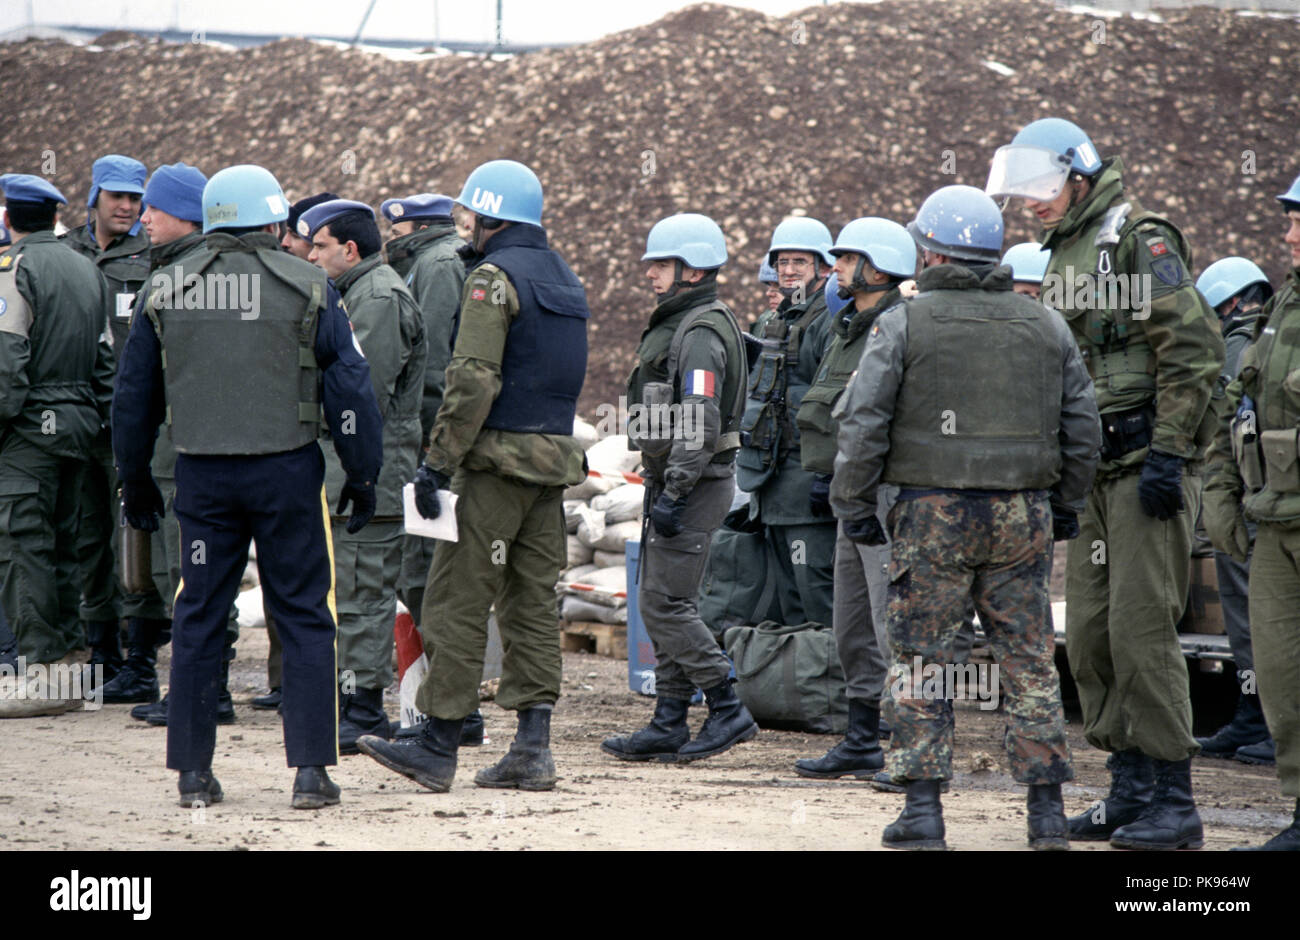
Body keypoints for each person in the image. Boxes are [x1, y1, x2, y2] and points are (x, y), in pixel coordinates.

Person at [831, 185, 1100, 850]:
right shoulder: (1043, 322)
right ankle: (1045, 815)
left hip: (930, 515)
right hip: (1022, 513)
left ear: (928, 252)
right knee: (1030, 659)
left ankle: (923, 811)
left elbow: (864, 423)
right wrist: (1063, 506)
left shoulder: (904, 322)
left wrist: (855, 505)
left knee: (924, 659)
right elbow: (1083, 427)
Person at [111, 164, 383, 808]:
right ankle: (312, 771)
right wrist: (363, 473)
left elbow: (132, 400)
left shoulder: (164, 289)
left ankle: (192, 773)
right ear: (272, 221)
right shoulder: (313, 284)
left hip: (202, 478)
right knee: (306, 613)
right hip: (287, 474)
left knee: (199, 615)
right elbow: (350, 390)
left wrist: (135, 480)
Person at [987, 117, 1225, 850]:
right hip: (1091, 472)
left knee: (1141, 630)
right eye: (1024, 191)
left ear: (1080, 177)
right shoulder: (1060, 252)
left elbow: (1194, 350)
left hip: (1146, 469)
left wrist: (1170, 452)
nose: (1032, 202)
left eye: (1044, 188)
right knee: (1087, 637)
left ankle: (1174, 801)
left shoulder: (1138, 239)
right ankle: (1127, 786)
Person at [357, 160, 588, 793]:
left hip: (493, 467)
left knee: (458, 596)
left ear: (491, 218)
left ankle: (437, 742)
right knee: (533, 602)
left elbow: (473, 379)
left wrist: (437, 462)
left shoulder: (492, 278)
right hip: (550, 465)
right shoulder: (564, 277)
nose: (464, 226)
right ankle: (531, 747)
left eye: (469, 215)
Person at [601, 213, 756, 763]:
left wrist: (676, 490)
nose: (649, 274)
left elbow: (700, 418)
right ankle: (668, 720)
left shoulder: (701, 332)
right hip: (677, 480)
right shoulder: (688, 322)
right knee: (666, 598)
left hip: (694, 483)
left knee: (664, 604)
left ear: (692, 269)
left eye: (660, 264)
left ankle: (726, 706)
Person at [300, 198, 427, 754]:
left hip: (371, 470)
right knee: (353, 589)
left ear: (350, 250)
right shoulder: (358, 292)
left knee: (363, 595)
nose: (311, 254)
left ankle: (364, 710)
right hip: (356, 467)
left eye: (321, 246)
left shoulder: (375, 298)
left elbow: (359, 396)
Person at [792, 217, 914, 780]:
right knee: (852, 622)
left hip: (887, 494)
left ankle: (911, 743)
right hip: (852, 492)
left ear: (879, 269)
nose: (835, 267)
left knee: (894, 622)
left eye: (846, 258)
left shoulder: (897, 325)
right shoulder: (848, 324)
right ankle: (862, 738)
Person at [1204, 173, 1300, 850]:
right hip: (1275, 518)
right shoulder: (1283, 308)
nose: (1289, 235)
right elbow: (1238, 407)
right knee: (1281, 673)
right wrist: (1223, 498)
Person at [0, 174, 113, 718]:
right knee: (67, 544)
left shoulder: (14, 270)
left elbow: (7, 364)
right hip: (78, 424)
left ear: (9, 221)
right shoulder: (87, 269)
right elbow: (106, 361)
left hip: (27, 430)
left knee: (23, 546)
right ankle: (70, 668)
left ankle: (39, 667)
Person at [64, 154, 152, 687]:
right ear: (93, 196)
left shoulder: (151, 257)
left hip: (133, 421)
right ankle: (102, 652)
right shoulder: (64, 251)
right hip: (80, 419)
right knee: (87, 535)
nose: (126, 206)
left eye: (134, 198)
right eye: (116, 195)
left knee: (137, 539)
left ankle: (140, 656)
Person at [1194, 256, 1275, 765]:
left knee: (1256, 613)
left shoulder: (1242, 343)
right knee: (1247, 614)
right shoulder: (1267, 335)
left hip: (1251, 496)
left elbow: (1222, 416)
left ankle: (1269, 720)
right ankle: (1254, 713)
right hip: (1254, 494)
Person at [736, 217, 836, 627]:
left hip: (806, 491)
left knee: (817, 597)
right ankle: (804, 686)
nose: (788, 270)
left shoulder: (828, 321)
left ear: (824, 267)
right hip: (773, 488)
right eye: (782, 262)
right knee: (787, 601)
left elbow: (834, 405)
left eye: (799, 261)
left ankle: (835, 688)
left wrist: (826, 475)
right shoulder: (779, 320)